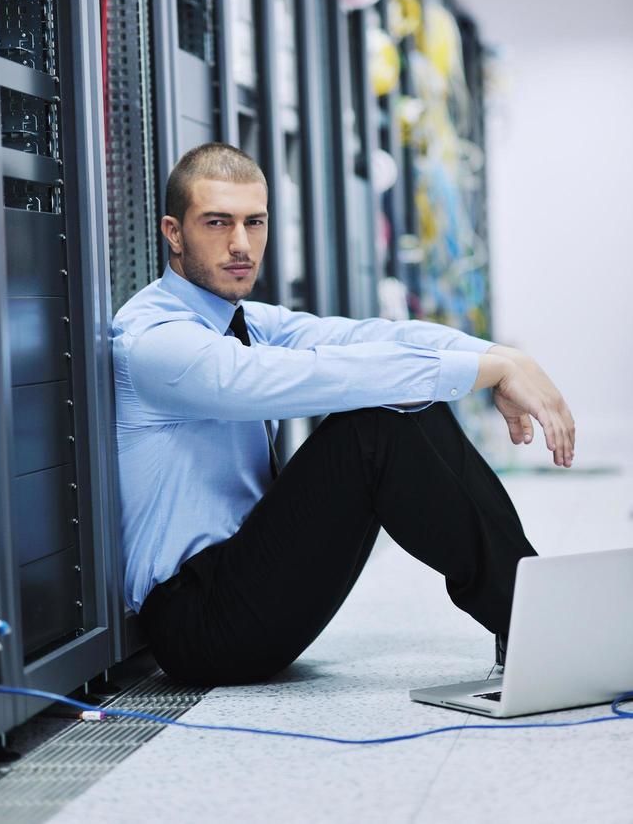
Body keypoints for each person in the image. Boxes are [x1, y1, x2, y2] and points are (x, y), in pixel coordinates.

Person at [112, 142, 575, 686]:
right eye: (217, 223)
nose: (241, 244)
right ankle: (544, 627)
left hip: (250, 580)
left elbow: (371, 335)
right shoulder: (154, 341)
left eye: (254, 223)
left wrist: (500, 356)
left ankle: (537, 615)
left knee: (404, 399)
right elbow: (312, 377)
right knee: (372, 428)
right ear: (174, 232)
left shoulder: (251, 321)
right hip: (197, 623)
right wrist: (486, 373)